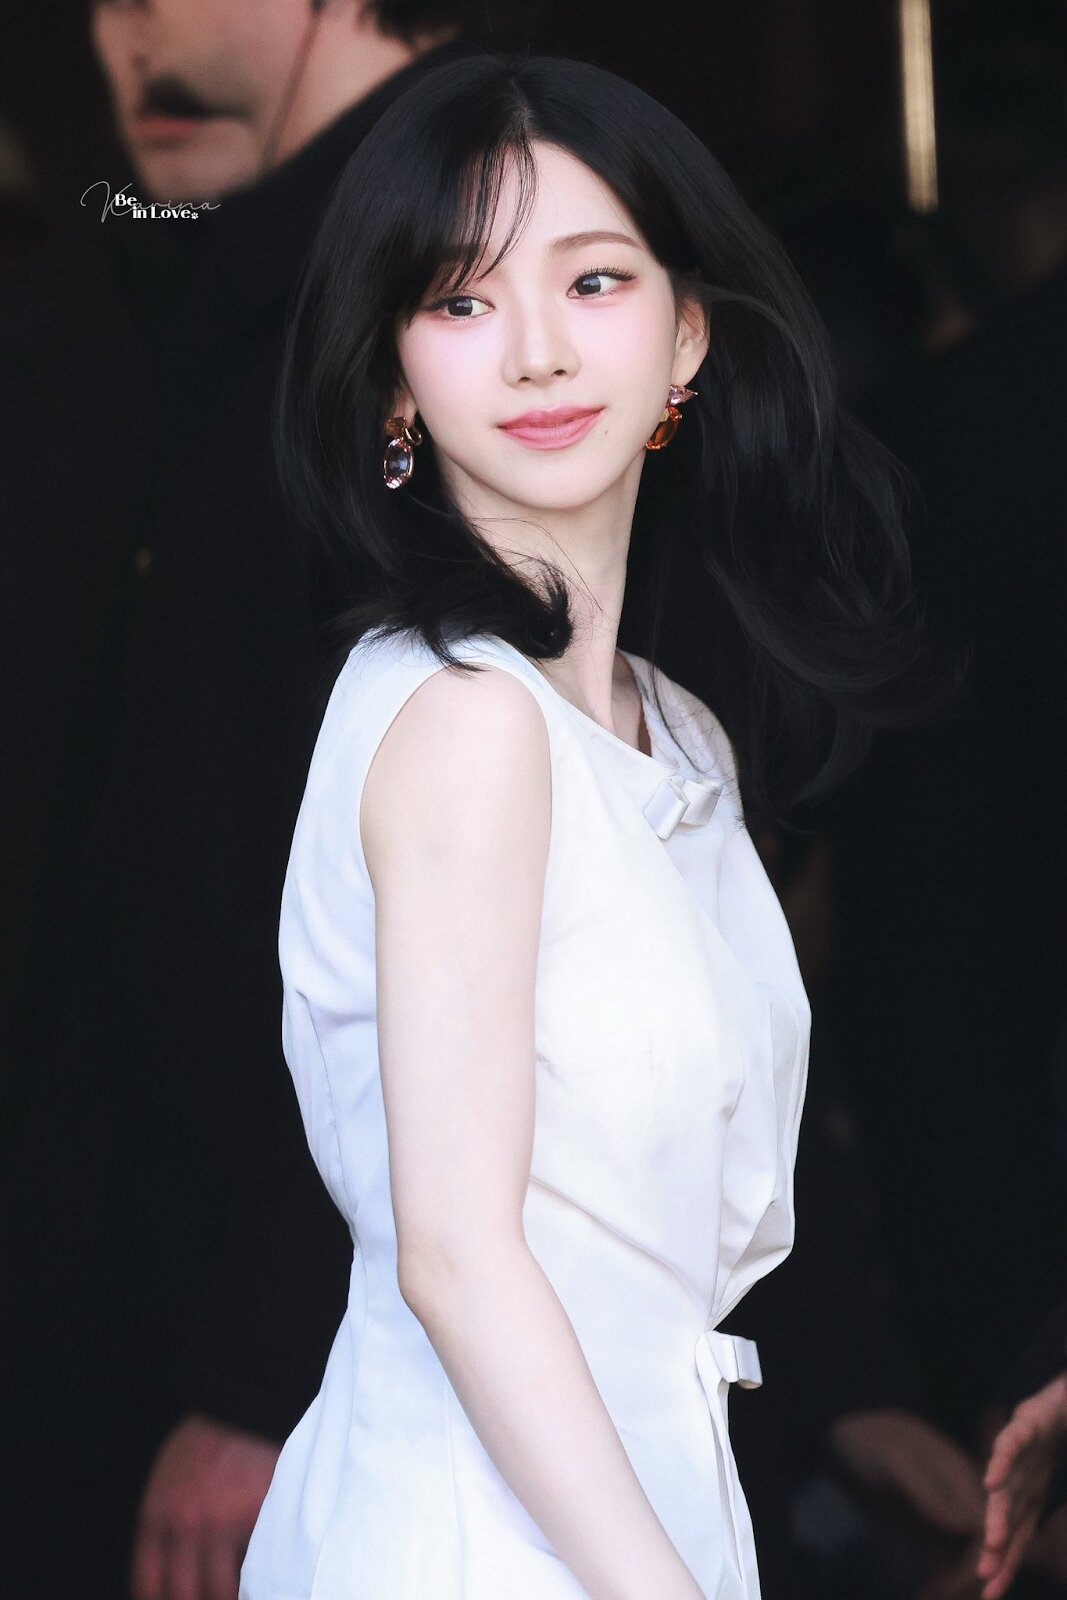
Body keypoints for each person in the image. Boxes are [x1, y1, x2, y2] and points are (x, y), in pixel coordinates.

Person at [238, 52, 928, 1600]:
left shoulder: (670, 730)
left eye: (595, 280)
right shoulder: (467, 723)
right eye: (462, 300)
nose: (538, 350)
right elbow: (458, 1259)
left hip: (636, 1510)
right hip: (471, 1542)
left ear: (687, 333)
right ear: (394, 378)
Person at [0, 6, 525, 1600]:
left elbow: (471, 919)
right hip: (137, 1266)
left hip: (308, 1309)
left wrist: (257, 1365)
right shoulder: (160, 285)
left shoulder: (453, 273)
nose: (124, 27)